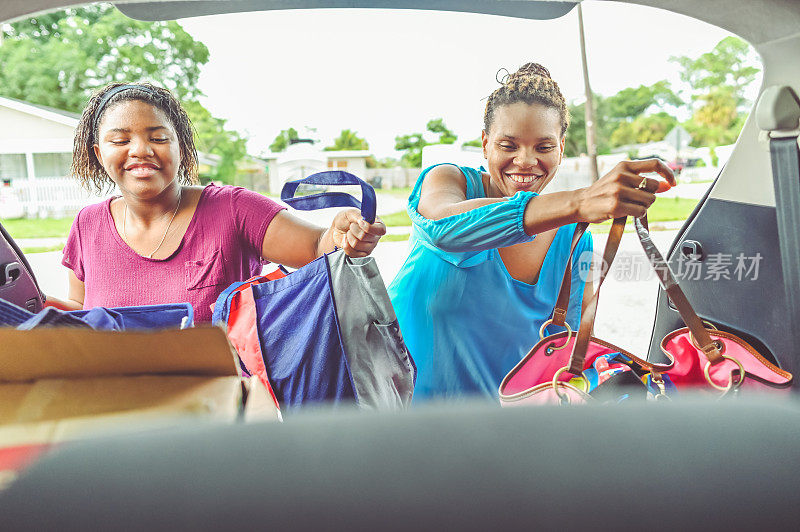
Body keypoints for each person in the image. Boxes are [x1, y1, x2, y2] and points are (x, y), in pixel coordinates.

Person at [387, 63, 675, 401]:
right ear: (485, 144)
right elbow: (443, 227)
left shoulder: (573, 238)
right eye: (508, 145)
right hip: (400, 416)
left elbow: (568, 354)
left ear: (561, 148)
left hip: (501, 430)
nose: (525, 161)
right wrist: (578, 201)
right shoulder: (449, 181)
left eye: (543, 147)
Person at [52, 82, 386, 321]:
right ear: (99, 153)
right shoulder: (88, 223)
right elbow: (81, 311)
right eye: (120, 140)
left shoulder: (232, 209)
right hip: (117, 410)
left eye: (158, 137)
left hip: (221, 411)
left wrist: (342, 235)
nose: (140, 149)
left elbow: (315, 247)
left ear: (180, 147)